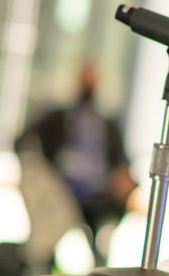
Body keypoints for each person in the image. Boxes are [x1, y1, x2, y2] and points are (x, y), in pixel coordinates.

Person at [15, 61, 136, 246]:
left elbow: (122, 159)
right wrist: (36, 172)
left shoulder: (107, 123)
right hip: (59, 190)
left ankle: (100, 256)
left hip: (99, 193)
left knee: (102, 235)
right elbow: (22, 141)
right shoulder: (58, 117)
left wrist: (122, 175)